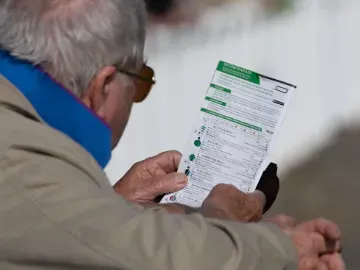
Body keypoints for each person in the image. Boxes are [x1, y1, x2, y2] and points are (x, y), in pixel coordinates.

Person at [0, 0, 344, 269]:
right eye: (140, 82)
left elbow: (66, 238)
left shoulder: (22, 143)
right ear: (104, 85)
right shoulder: (29, 173)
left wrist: (111, 207)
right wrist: (240, 229)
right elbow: (170, 263)